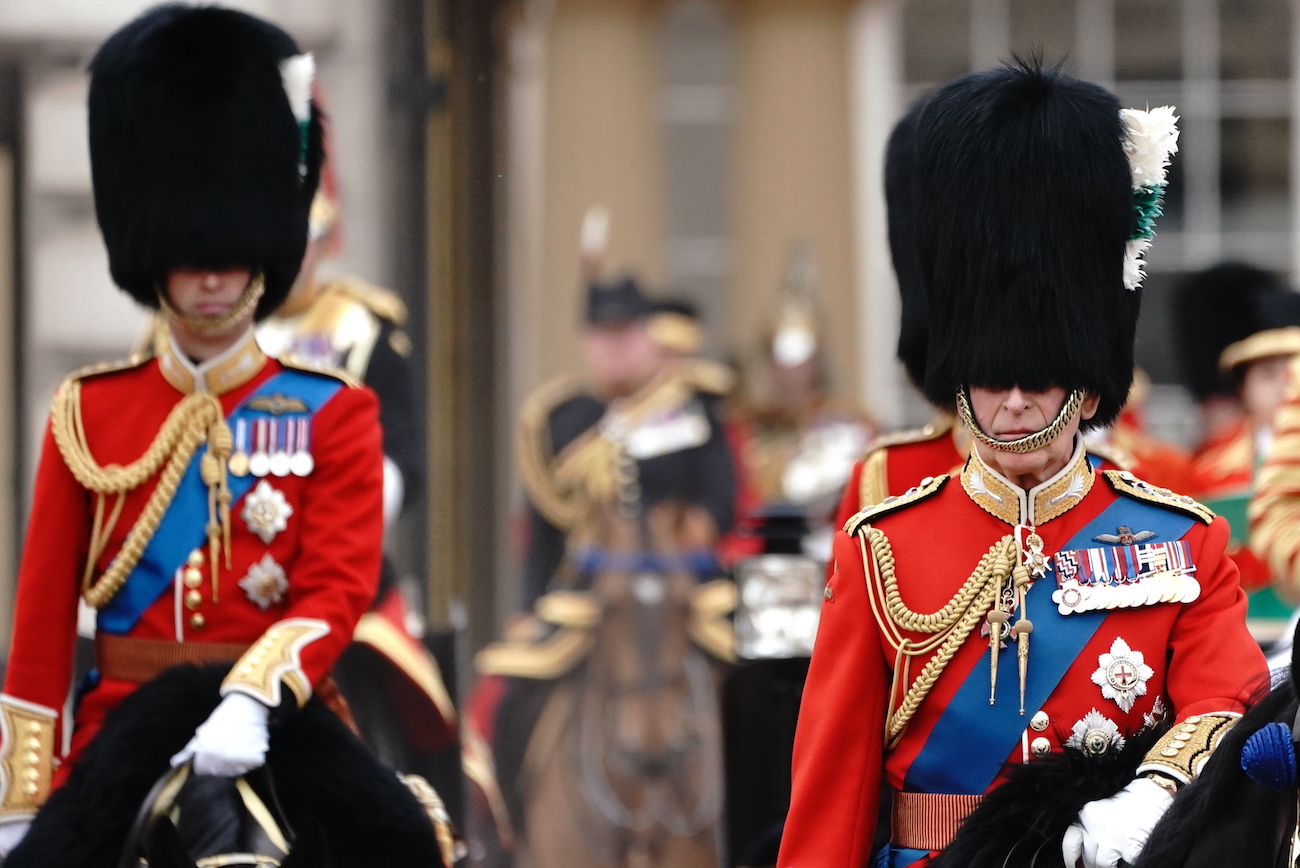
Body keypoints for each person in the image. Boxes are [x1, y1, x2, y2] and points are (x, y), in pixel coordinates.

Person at [779, 61, 1266, 868]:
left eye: (1035, 380)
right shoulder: (882, 548)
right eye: (992, 380)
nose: (1012, 403)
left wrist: (1155, 791)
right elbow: (831, 793)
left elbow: (1231, 699)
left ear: (1081, 380)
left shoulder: (1184, 542)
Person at [0, 6, 383, 853]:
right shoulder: (86, 413)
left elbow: (337, 590)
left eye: (232, 254)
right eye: (189, 255)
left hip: (281, 721)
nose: (212, 278)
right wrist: (19, 803)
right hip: (123, 729)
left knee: (409, 844)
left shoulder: (335, 414)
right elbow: (38, 637)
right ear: (153, 254)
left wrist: (252, 697)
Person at [255, 129, 457, 772]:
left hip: (342, 571)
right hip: (228, 566)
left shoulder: (365, 330)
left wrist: (346, 524)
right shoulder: (211, 328)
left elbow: (402, 455)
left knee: (409, 697)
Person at [515, 274, 737, 610]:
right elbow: (545, 531)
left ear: (649, 336)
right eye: (604, 334)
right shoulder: (560, 420)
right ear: (586, 342)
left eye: (627, 332)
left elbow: (719, 501)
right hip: (584, 589)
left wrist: (683, 530)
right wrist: (529, 605)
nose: (616, 346)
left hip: (684, 583)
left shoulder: (689, 408)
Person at [732, 247, 875, 561]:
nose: (787, 370)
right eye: (778, 356)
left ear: (816, 361)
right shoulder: (743, 428)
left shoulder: (853, 427)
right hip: (759, 561)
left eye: (798, 356)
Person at [1190, 270, 1300, 636]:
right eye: (1269, 373)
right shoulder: (1208, 472)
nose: (1288, 384)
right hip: (1242, 637)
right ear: (1243, 388)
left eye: (1297, 369)